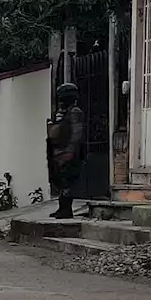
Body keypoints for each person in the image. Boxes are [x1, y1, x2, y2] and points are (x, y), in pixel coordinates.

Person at [46, 82, 85, 219]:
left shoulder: (75, 112)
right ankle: (62, 208)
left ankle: (66, 210)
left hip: (70, 153)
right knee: (60, 181)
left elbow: (76, 133)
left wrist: (70, 151)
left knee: (67, 181)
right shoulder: (63, 113)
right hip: (60, 152)